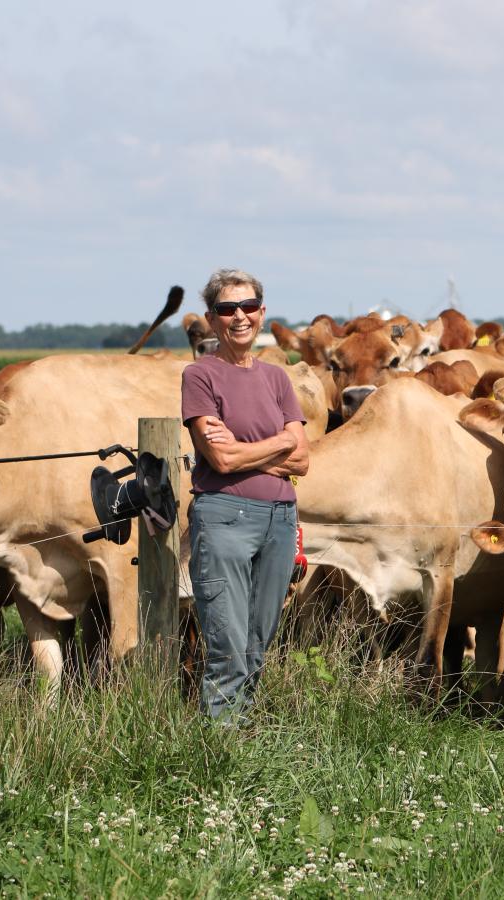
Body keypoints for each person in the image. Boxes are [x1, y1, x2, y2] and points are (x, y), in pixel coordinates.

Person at [181, 268, 309, 723]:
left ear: (262, 313)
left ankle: (242, 738)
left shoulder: (277, 379)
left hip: (280, 518)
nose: (240, 317)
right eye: (227, 309)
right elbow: (221, 463)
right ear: (213, 319)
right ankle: (218, 758)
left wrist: (244, 447)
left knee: (258, 643)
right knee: (226, 644)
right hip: (224, 516)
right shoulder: (200, 376)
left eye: (249, 307)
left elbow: (302, 460)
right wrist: (278, 443)